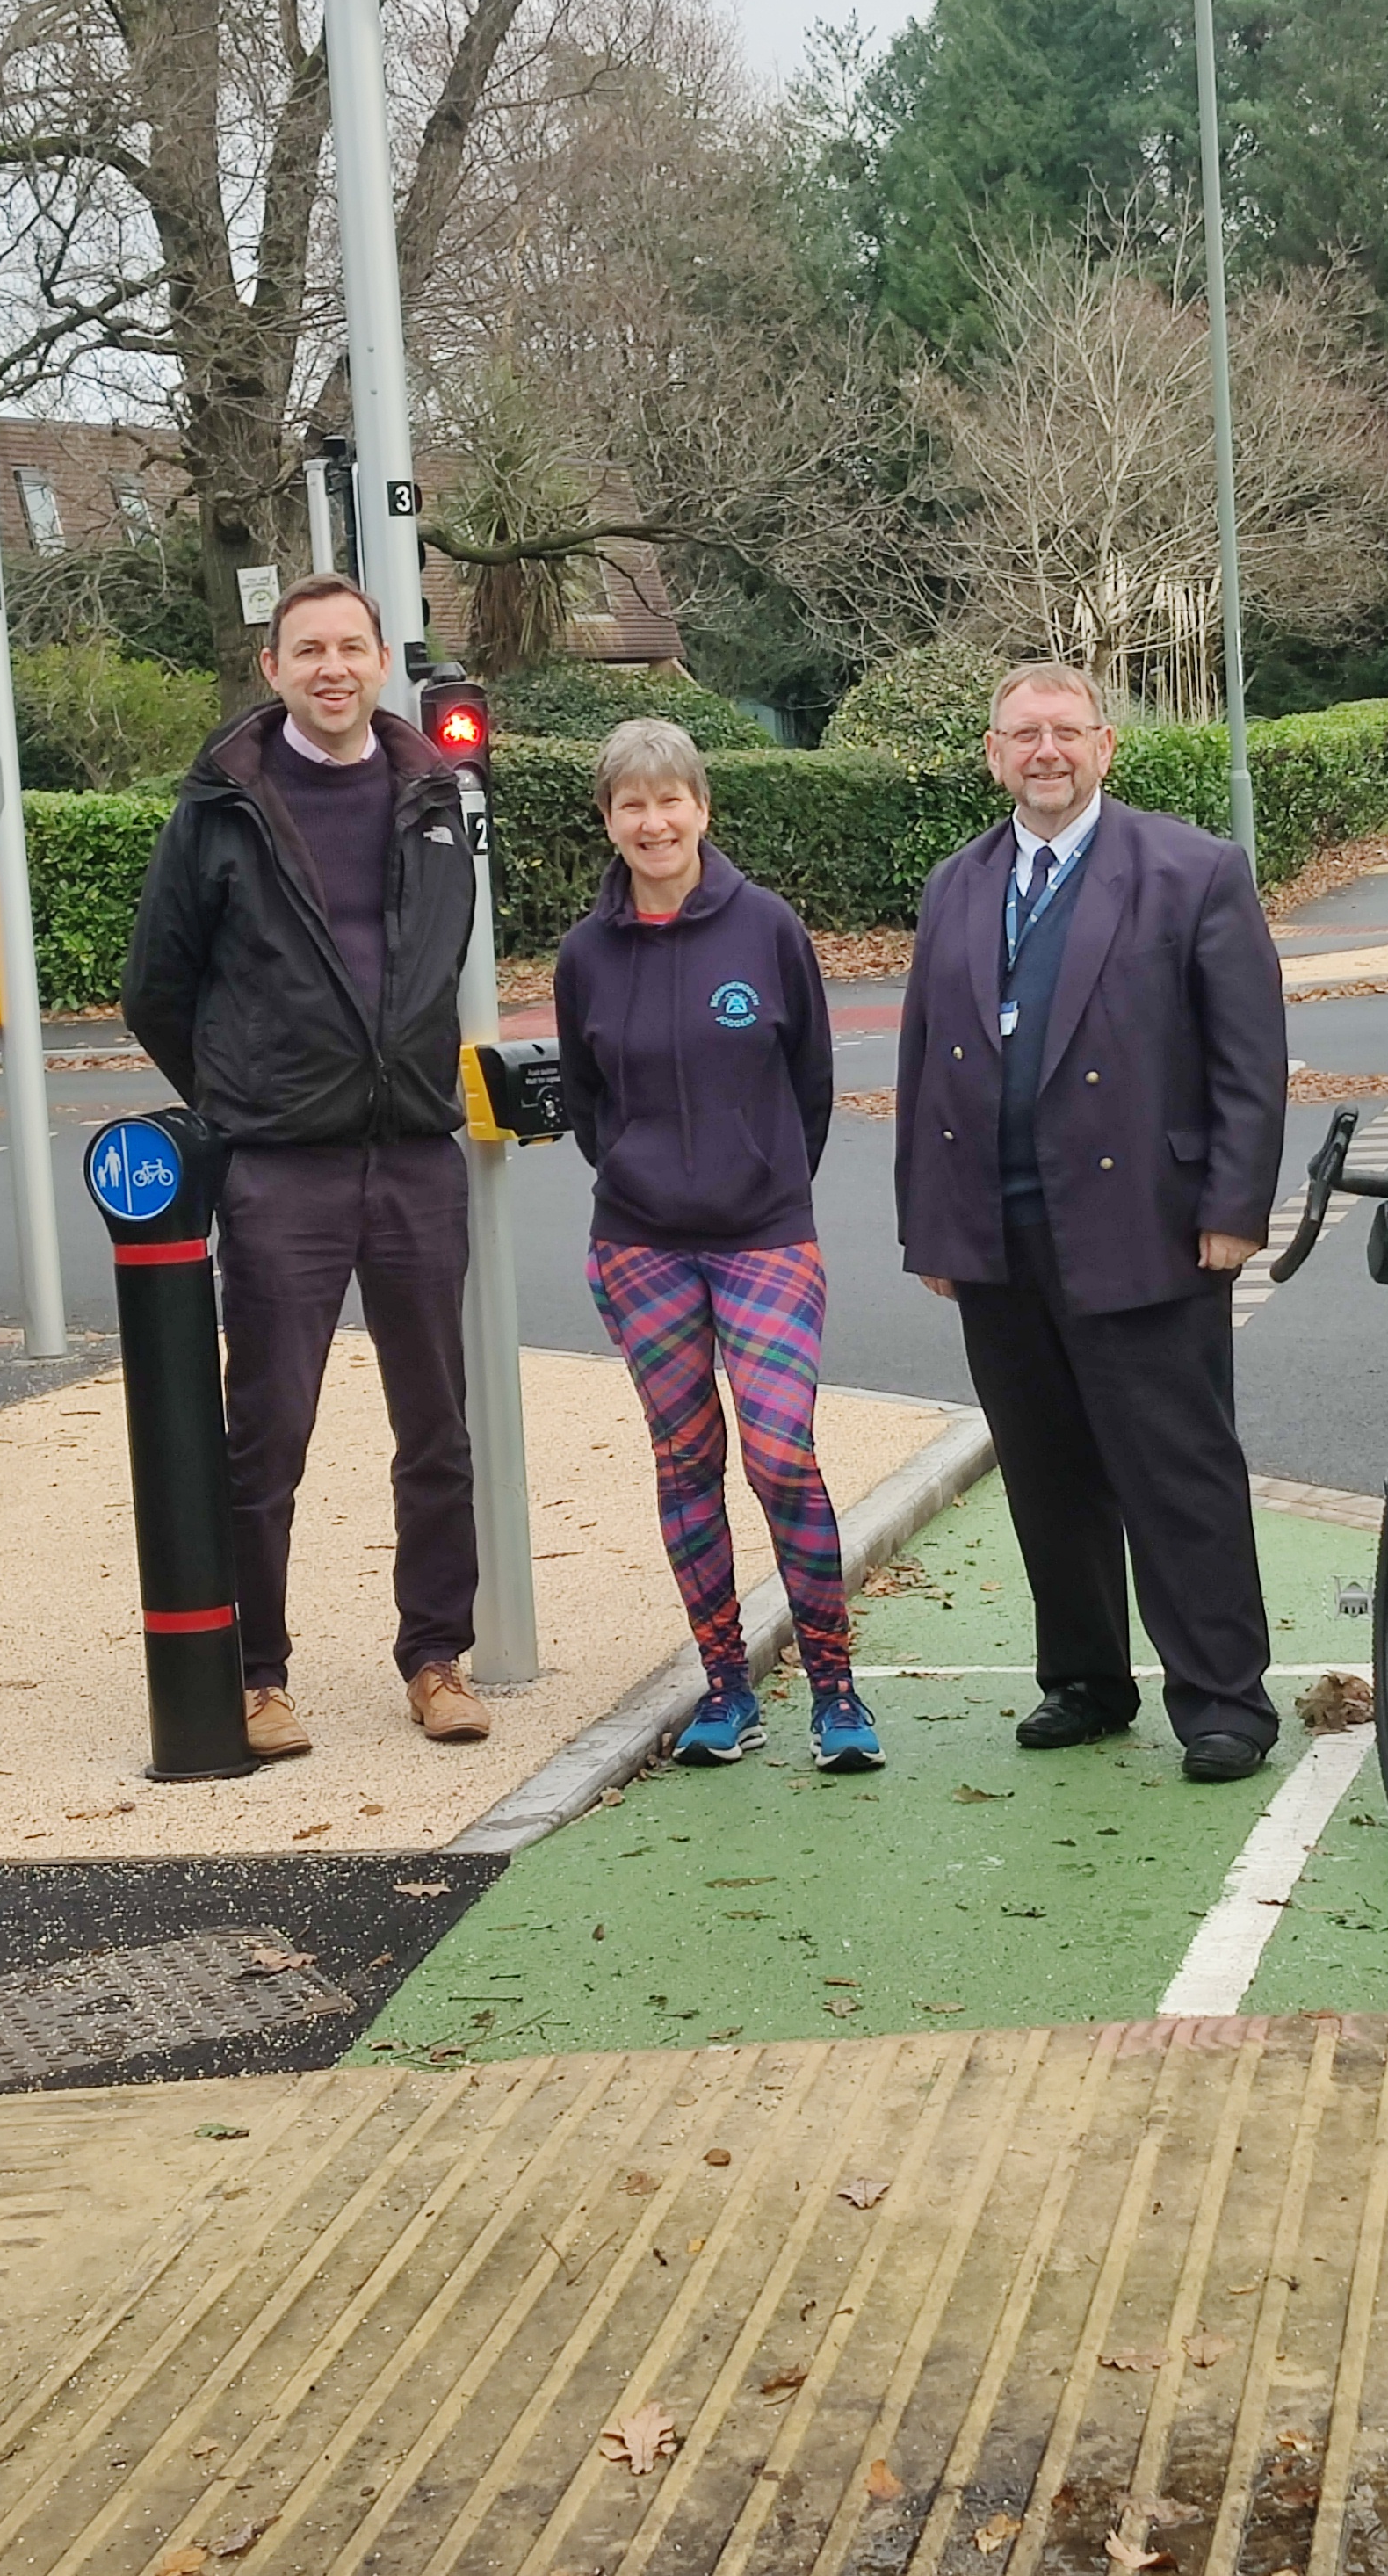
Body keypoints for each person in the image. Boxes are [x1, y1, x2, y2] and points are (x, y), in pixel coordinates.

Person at [894, 662, 1290, 1783]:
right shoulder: (956, 884)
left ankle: (1224, 1702)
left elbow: (1249, 1057)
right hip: (998, 1233)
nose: (1046, 752)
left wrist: (1233, 1207)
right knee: (1044, 1469)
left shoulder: (1192, 870)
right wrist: (933, 1225)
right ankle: (1083, 1680)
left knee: (1177, 1470)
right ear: (994, 755)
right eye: (1023, 734)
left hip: (1148, 1225)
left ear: (1104, 746)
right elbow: (924, 1060)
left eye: (1065, 731)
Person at [122, 572, 489, 1758]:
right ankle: (256, 1675)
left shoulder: (434, 799)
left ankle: (436, 1657)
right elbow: (156, 988)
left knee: (436, 1429)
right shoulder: (220, 810)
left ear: (381, 662)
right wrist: (248, 1094)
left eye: (351, 648)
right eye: (309, 650)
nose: (333, 668)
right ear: (272, 669)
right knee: (267, 1433)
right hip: (281, 1167)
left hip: (414, 1155)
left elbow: (438, 957)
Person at [553, 720, 878, 1772]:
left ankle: (834, 1692)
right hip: (640, 1247)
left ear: (701, 807)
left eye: (670, 800)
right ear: (608, 820)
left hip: (764, 1237)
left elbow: (811, 1082)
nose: (653, 822)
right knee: (686, 1461)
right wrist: (637, 1176)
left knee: (780, 1455)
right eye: (631, 805)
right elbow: (588, 1103)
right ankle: (726, 1688)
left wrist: (763, 1178)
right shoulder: (585, 955)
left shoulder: (767, 929)